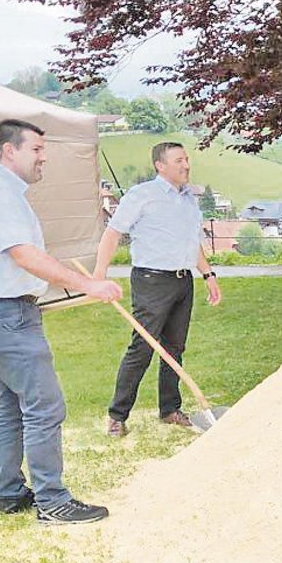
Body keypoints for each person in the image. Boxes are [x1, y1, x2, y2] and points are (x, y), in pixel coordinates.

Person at [0, 119, 123, 524]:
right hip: (3, 313)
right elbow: (24, 254)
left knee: (10, 404)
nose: (43, 157)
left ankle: (11, 494)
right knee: (44, 406)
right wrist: (88, 284)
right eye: (36, 149)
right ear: (9, 150)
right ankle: (52, 501)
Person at [93, 142, 222, 437]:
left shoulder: (189, 200)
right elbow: (112, 233)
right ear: (160, 166)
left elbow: (193, 243)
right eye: (179, 161)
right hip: (151, 281)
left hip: (182, 280)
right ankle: (117, 415)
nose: (186, 165)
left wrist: (208, 275)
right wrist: (99, 275)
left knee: (174, 348)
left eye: (187, 159)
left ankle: (170, 409)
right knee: (143, 347)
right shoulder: (143, 195)